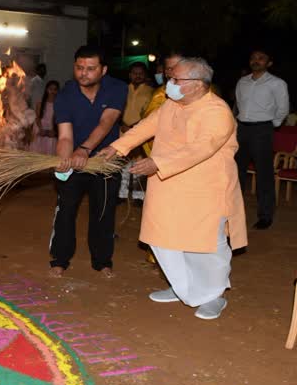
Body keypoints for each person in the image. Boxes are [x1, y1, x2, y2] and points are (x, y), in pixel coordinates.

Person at [100, 57, 247, 320]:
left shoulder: (217, 111)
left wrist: (157, 162)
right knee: (163, 239)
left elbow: (201, 148)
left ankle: (214, 295)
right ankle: (183, 288)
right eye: (171, 78)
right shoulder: (172, 104)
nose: (170, 84)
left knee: (204, 246)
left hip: (205, 189)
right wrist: (118, 146)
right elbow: (146, 126)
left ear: (198, 85)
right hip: (167, 184)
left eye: (176, 80)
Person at [50, 46, 127, 278]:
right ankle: (60, 259)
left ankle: (103, 261)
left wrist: (85, 149)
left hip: (104, 162)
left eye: (90, 69)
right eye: (79, 68)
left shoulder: (117, 88)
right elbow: (64, 136)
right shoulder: (65, 95)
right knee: (65, 212)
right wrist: (63, 159)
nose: (84, 73)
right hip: (75, 161)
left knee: (103, 212)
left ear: (103, 70)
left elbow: (107, 122)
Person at [234, 48, 290, 229]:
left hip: (262, 130)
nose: (256, 61)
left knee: (264, 174)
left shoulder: (277, 83)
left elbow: (283, 108)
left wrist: (270, 125)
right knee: (235, 172)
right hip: (241, 129)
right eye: (253, 58)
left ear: (269, 63)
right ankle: (233, 210)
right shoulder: (242, 81)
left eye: (261, 58)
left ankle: (265, 215)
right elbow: (238, 105)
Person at [118, 62, 154, 204]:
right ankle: (122, 194)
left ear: (145, 75)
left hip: (141, 132)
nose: (137, 76)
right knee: (123, 163)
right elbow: (116, 108)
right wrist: (122, 124)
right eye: (134, 73)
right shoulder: (123, 89)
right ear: (130, 75)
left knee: (140, 163)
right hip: (122, 130)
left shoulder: (151, 91)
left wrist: (134, 127)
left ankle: (138, 196)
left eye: (140, 73)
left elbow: (151, 113)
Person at [29, 80, 59, 154]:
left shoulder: (58, 104)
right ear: (46, 90)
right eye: (50, 89)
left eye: (55, 89)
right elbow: (38, 118)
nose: (52, 91)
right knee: (38, 151)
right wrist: (41, 129)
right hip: (40, 127)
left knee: (49, 151)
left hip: (52, 129)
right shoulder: (40, 103)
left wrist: (54, 131)